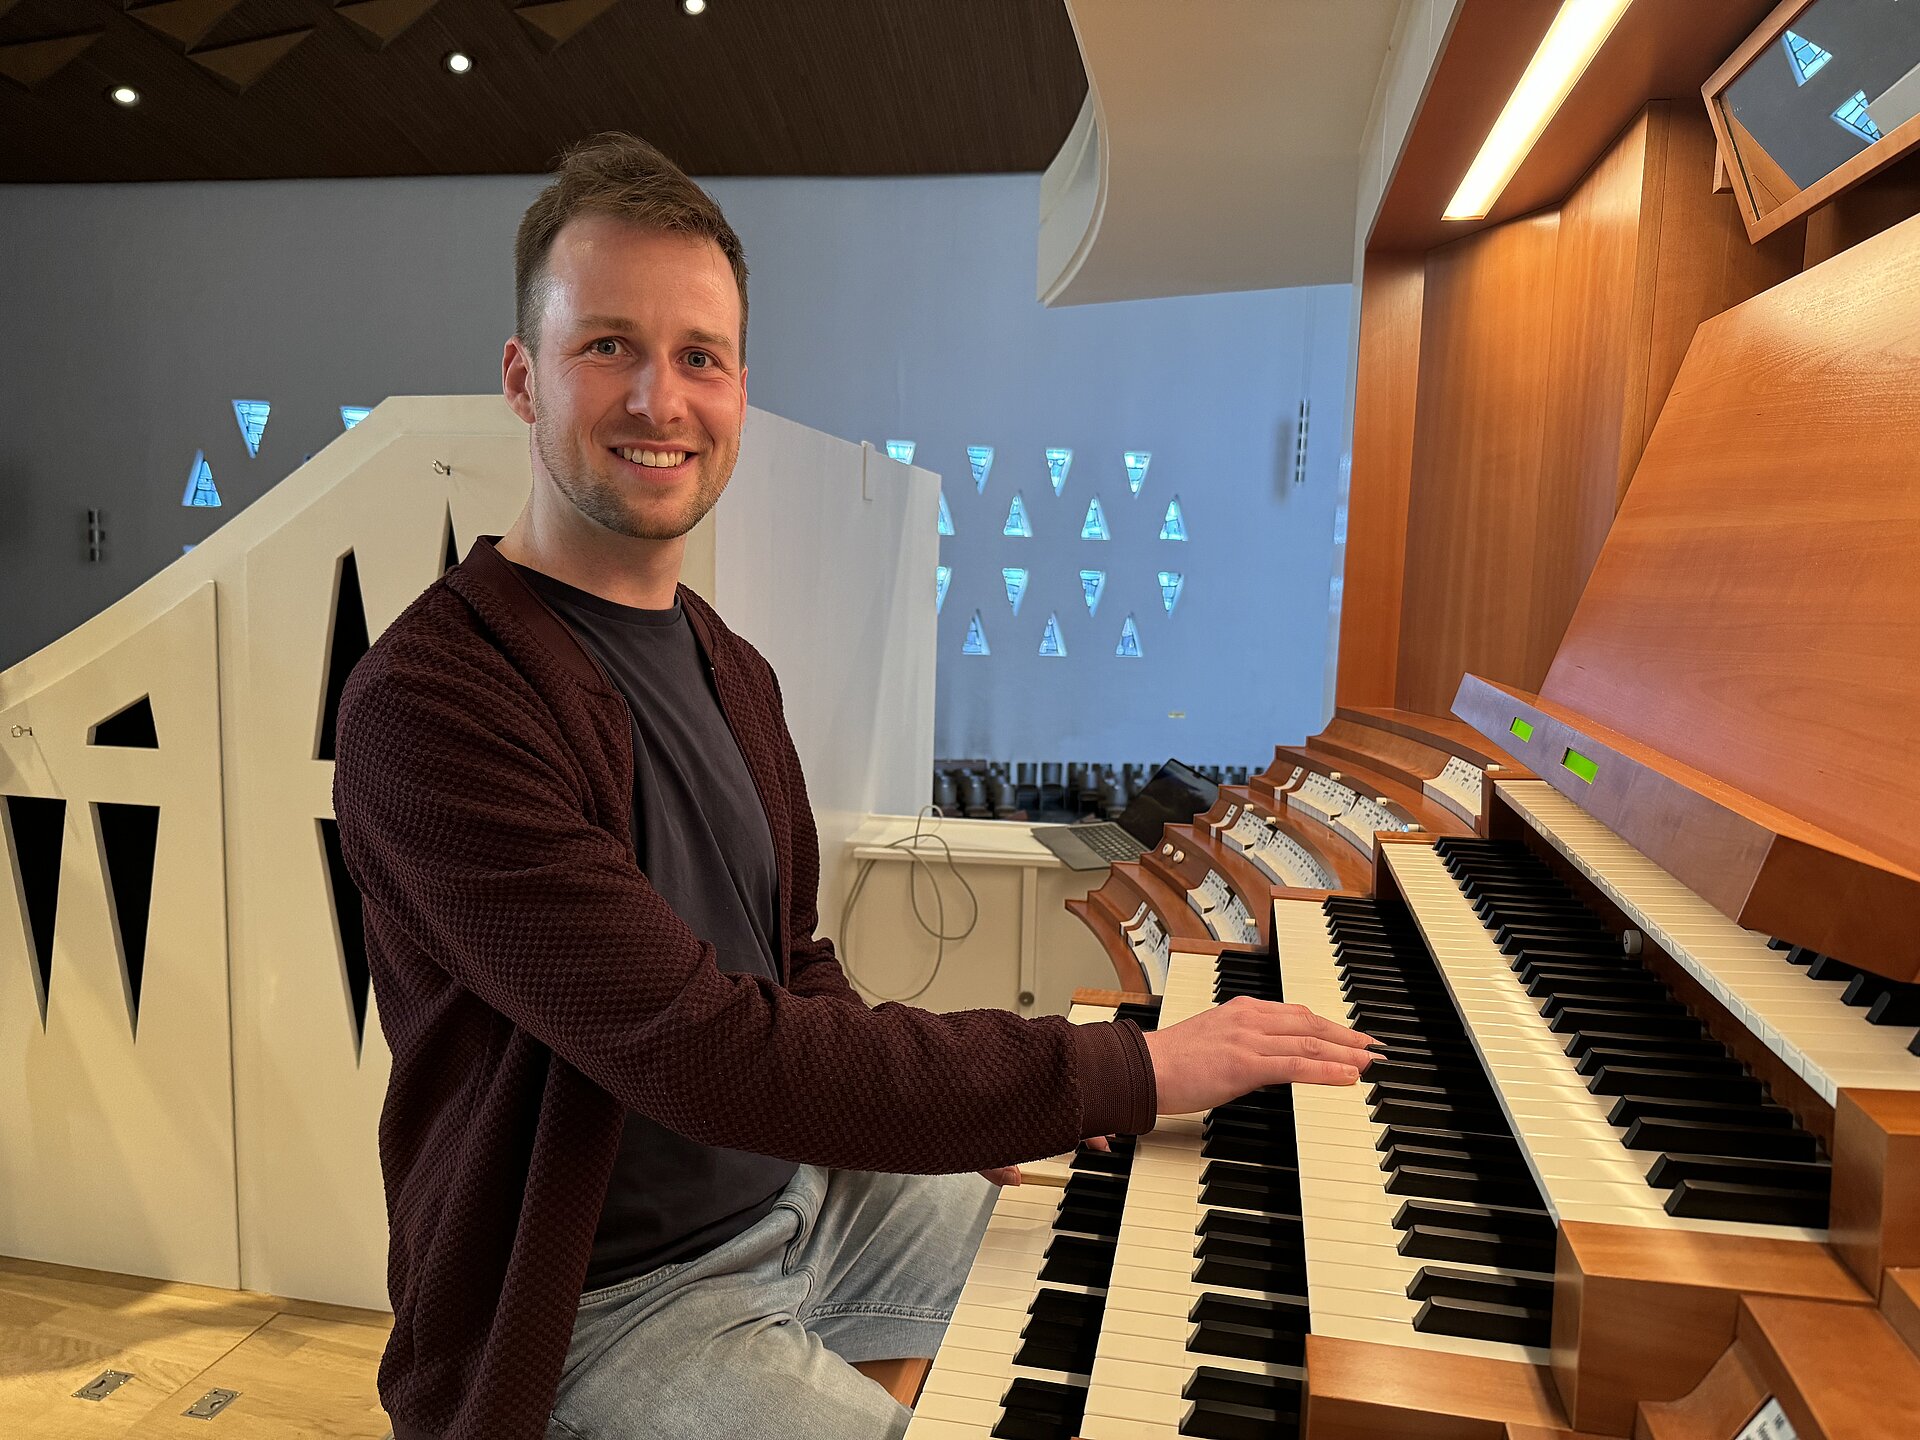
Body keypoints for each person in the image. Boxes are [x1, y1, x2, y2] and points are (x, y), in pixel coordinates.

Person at [332, 132, 1375, 1440]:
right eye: (608, 346)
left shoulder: (731, 666)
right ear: (521, 377)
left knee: (1151, 1276)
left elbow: (793, 961)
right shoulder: (435, 703)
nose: (660, 399)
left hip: (814, 1200)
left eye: (698, 357)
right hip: (605, 1301)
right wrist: (1110, 1068)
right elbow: (705, 1047)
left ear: (739, 392)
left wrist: (951, 1116)